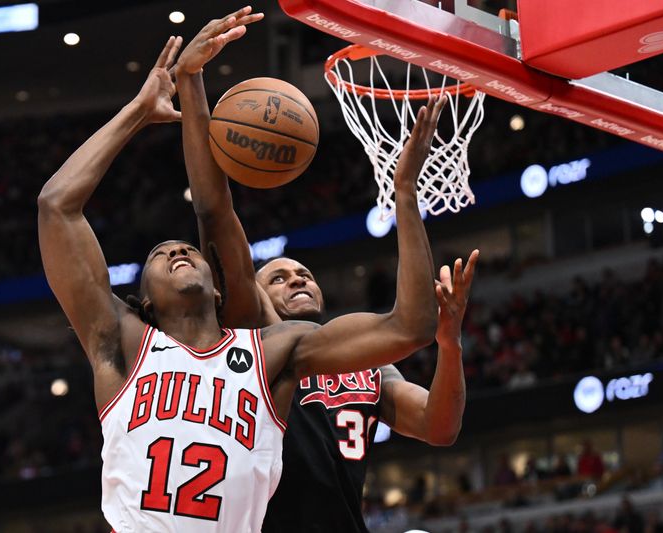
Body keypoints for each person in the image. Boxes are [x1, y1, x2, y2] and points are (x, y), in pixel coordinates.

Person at [38, 9, 439, 532]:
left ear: (219, 279)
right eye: (163, 253)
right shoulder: (123, 344)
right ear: (148, 303)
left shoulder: (273, 351)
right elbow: (56, 207)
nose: (179, 251)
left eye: (189, 249)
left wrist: (405, 198)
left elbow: (409, 327)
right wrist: (139, 110)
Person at [175, 8, 473, 531]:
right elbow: (213, 211)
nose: (298, 279)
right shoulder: (257, 338)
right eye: (280, 277)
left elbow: (439, 426)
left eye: (304, 274)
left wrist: (448, 346)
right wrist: (191, 80)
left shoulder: (365, 366)